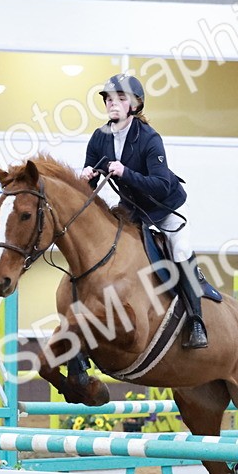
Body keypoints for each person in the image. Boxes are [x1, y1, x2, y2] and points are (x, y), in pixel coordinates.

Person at [80, 73, 207, 349]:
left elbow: (160, 186)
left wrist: (125, 173)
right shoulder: (99, 137)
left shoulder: (150, 138)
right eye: (109, 99)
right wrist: (86, 176)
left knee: (181, 250)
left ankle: (197, 321)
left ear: (135, 105)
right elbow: (89, 184)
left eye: (120, 99)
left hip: (164, 206)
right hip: (133, 208)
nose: (113, 104)